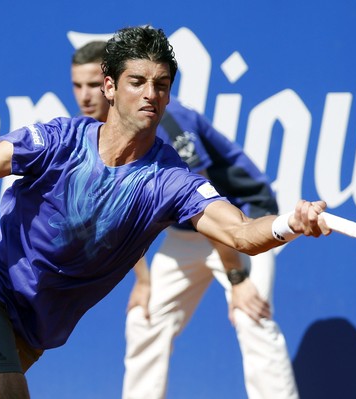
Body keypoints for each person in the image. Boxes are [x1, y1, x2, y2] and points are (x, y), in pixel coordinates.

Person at [0, 26, 330, 399]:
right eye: (137, 82)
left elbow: (240, 234)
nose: (150, 94)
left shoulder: (171, 179)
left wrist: (291, 223)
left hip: (38, 324)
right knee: (8, 393)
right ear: (110, 87)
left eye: (161, 85)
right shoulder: (57, 141)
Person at [72, 41, 300, 398]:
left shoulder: (164, 123)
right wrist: (143, 281)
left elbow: (207, 203)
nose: (86, 96)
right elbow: (121, 217)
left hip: (239, 221)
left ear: (111, 82)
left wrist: (238, 279)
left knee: (251, 315)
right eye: (78, 86)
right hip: (186, 232)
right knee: (144, 319)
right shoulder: (95, 135)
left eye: (92, 84)